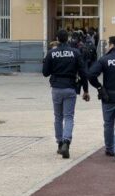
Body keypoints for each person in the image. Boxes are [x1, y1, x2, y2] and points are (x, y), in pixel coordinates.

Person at [42, 29, 91, 159]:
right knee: (69, 117)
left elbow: (45, 73)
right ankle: (66, 142)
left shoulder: (51, 53)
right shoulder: (75, 53)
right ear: (68, 39)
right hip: (70, 88)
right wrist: (86, 90)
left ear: (57, 38)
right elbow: (83, 72)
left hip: (57, 88)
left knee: (58, 117)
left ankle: (59, 143)